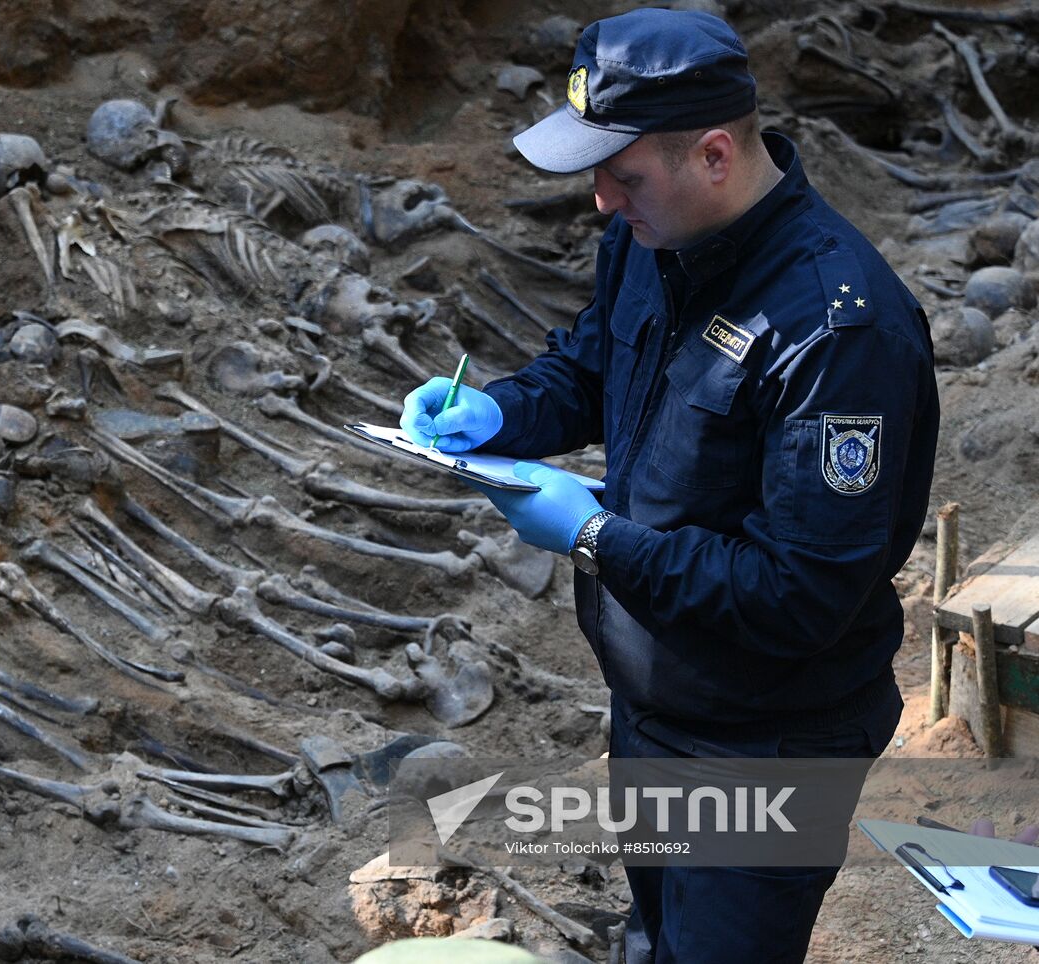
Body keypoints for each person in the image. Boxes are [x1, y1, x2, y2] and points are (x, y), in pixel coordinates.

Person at [399, 8, 939, 963]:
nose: (603, 201)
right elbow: (596, 366)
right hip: (661, 697)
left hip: (770, 737)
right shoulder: (655, 241)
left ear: (717, 155)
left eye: (623, 174)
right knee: (654, 940)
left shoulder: (837, 332)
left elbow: (799, 594)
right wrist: (500, 411)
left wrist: (596, 539)